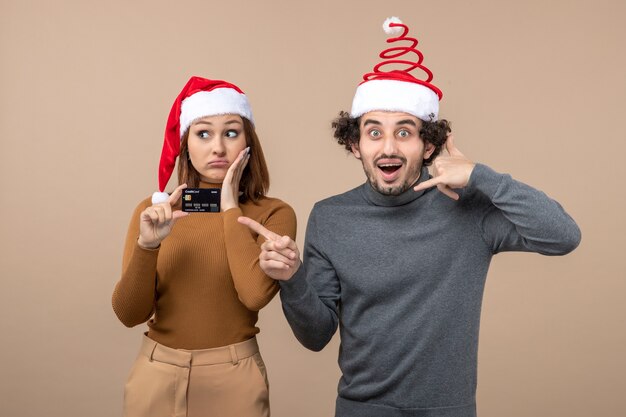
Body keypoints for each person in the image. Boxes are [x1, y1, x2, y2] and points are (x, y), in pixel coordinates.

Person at [239, 18, 581, 417]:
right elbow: (316, 336)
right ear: (354, 143)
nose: (388, 148)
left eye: (404, 132)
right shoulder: (330, 217)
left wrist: (479, 176)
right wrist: (292, 278)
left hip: (447, 409)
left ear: (429, 144)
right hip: (361, 409)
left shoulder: (467, 206)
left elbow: (563, 235)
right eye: (374, 132)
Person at [112, 76, 296, 417]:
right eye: (203, 133)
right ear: (185, 144)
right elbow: (128, 314)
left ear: (247, 141)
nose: (218, 147)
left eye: (230, 132)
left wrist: (229, 208)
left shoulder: (273, 213)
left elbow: (254, 295)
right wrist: (147, 246)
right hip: (155, 374)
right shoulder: (153, 212)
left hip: (233, 377)